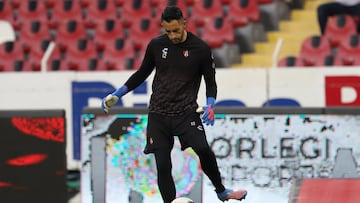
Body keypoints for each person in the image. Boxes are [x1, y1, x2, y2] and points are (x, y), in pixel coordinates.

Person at [101, 5, 247, 203]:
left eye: (176, 30)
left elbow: (210, 82)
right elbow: (141, 73)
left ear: (184, 24)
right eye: (168, 31)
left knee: (203, 149)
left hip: (186, 112)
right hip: (158, 114)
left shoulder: (200, 49)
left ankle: (222, 191)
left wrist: (210, 104)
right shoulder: (156, 45)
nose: (172, 35)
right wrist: (117, 94)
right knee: (162, 163)